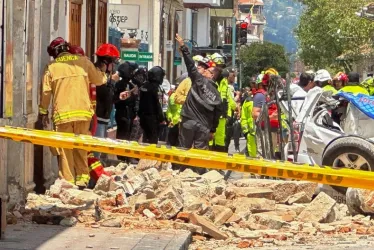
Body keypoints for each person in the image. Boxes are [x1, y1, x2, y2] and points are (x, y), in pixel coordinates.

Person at [39, 37, 105, 188]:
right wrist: (105, 73)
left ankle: (68, 183)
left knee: (65, 150)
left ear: (54, 53)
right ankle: (82, 181)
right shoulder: (83, 61)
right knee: (81, 147)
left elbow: (46, 92)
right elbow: (99, 80)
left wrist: (43, 112)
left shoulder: (52, 67)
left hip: (63, 116)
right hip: (83, 114)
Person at [176, 34, 223, 173]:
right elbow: (217, 114)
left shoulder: (198, 80)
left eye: (208, 71)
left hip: (188, 121)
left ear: (212, 75)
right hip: (204, 127)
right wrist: (212, 130)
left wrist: (183, 47)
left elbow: (190, 64)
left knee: (184, 150)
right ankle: (200, 178)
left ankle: (181, 175)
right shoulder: (217, 95)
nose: (205, 71)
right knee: (201, 154)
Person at [93, 44, 121, 159]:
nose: (114, 66)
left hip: (103, 118)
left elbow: (109, 97)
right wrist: (112, 82)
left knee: (99, 148)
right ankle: (92, 175)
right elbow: (104, 94)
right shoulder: (97, 74)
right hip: (97, 117)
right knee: (96, 149)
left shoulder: (103, 75)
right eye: (113, 62)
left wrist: (119, 97)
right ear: (106, 62)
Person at [209, 54, 237, 153]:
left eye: (221, 67)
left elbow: (227, 98)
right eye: (217, 66)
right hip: (210, 113)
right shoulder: (208, 80)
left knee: (220, 138)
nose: (219, 69)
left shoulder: (224, 81)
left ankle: (217, 165)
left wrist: (228, 113)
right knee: (209, 138)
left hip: (221, 115)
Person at [114, 62, 139, 161]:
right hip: (123, 113)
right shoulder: (121, 85)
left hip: (128, 113)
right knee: (123, 135)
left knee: (126, 135)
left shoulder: (131, 84)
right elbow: (117, 99)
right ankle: (122, 156)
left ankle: (125, 156)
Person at [138, 66, 166, 144]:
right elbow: (158, 104)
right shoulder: (157, 88)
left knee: (145, 138)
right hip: (153, 117)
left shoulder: (144, 86)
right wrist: (162, 118)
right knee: (153, 140)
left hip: (143, 116)